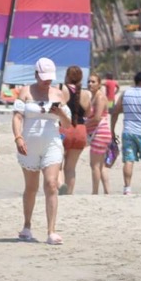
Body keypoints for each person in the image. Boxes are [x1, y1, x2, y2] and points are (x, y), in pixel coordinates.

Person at [12, 58, 72, 245]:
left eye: (49, 78)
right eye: (43, 77)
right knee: (31, 188)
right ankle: (27, 225)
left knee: (51, 184)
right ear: (36, 74)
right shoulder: (25, 91)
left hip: (52, 142)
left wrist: (59, 112)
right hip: (29, 143)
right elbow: (17, 117)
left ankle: (51, 231)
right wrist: (18, 137)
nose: (47, 81)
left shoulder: (59, 93)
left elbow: (68, 124)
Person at [58, 66, 91, 195]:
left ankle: (60, 186)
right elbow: (88, 114)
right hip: (81, 130)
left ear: (67, 76)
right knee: (71, 168)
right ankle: (69, 194)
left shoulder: (62, 89)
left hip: (64, 128)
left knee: (58, 163)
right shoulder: (86, 93)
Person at [86, 73, 112, 194]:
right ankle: (107, 191)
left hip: (100, 132)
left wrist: (83, 125)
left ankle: (95, 192)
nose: (90, 84)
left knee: (94, 165)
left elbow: (97, 118)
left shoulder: (100, 97)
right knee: (100, 165)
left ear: (99, 84)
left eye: (93, 82)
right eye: (89, 82)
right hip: (98, 132)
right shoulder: (92, 97)